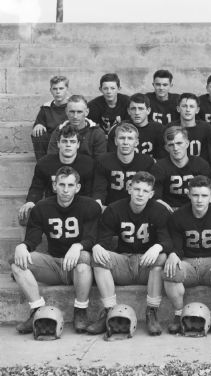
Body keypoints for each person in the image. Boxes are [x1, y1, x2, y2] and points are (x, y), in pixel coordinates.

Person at [11, 166, 101, 334]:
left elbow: (92, 238)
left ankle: (80, 310)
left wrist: (78, 245)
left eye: (70, 185)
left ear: (78, 187)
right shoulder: (42, 207)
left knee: (83, 259)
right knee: (17, 265)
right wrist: (22, 246)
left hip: (78, 267)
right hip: (54, 264)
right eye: (62, 185)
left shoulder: (89, 206)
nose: (66, 190)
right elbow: (33, 238)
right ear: (54, 186)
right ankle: (37, 311)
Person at [86, 171, 172, 336]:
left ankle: (151, 312)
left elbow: (169, 242)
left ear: (152, 194)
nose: (140, 194)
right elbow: (103, 239)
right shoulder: (114, 209)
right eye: (137, 189)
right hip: (123, 262)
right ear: (129, 189)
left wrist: (157, 247)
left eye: (145, 191)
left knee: (162, 257)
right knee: (97, 258)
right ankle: (109, 311)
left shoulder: (160, 211)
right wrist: (97, 246)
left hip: (146, 264)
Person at [163, 175, 211, 334]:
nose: (199, 200)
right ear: (188, 194)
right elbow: (176, 245)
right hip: (187, 262)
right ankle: (178, 314)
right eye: (195, 195)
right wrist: (173, 254)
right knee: (169, 271)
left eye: (204, 195)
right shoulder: (179, 216)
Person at [19, 125, 95, 226]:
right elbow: (37, 187)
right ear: (58, 144)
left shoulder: (88, 164)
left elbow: (90, 191)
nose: (68, 145)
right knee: (27, 212)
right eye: (64, 141)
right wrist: (31, 201)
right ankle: (29, 241)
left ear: (78, 144)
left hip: (79, 206)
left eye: (72, 142)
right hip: (53, 205)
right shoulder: (45, 163)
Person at [93, 123, 155, 209]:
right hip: (110, 208)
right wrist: (98, 204)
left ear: (136, 142)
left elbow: (149, 190)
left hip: (137, 208)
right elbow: (99, 189)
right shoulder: (104, 161)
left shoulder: (146, 162)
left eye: (130, 138)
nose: (125, 142)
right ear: (115, 141)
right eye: (122, 138)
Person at [151, 126, 210, 209]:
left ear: (187, 144)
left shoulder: (201, 165)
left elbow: (206, 195)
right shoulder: (159, 167)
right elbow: (156, 197)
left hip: (194, 209)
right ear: (166, 148)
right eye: (171, 145)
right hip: (169, 209)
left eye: (179, 143)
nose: (175, 148)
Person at [107, 93, 164, 159]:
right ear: (128, 111)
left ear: (148, 110)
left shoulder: (159, 130)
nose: (137, 112)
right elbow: (112, 157)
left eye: (141, 108)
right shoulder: (118, 129)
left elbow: (162, 158)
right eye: (133, 108)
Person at [31, 75, 69, 160]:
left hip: (69, 137)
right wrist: (39, 124)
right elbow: (39, 122)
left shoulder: (73, 106)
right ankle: (42, 164)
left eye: (61, 88)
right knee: (38, 133)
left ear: (67, 89)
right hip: (51, 140)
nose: (58, 92)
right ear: (50, 90)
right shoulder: (46, 107)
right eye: (55, 89)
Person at [168, 93, 211, 162]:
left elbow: (208, 156)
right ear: (178, 109)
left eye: (191, 106)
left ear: (197, 110)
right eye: (184, 106)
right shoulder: (169, 128)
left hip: (200, 169)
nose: (188, 109)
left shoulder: (206, 128)